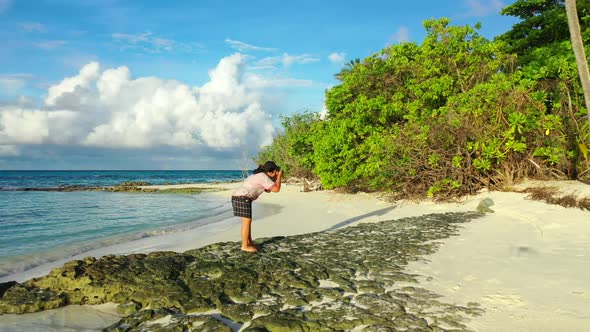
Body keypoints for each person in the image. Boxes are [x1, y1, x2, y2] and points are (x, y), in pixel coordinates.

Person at [231, 161, 283, 252]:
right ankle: (244, 246)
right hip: (243, 197)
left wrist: (274, 178)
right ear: (272, 171)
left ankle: (249, 242)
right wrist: (279, 177)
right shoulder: (263, 177)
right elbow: (276, 189)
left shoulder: (259, 175)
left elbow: (268, 190)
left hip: (237, 196)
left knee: (247, 221)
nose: (276, 173)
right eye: (276, 171)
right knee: (247, 221)